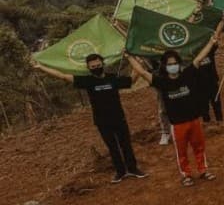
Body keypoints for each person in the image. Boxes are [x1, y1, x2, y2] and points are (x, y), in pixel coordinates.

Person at [32, 54, 148, 184]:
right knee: (112, 147)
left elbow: (132, 80)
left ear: (103, 64)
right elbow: (63, 75)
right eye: (93, 66)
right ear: (88, 67)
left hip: (119, 118)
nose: (96, 68)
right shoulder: (87, 81)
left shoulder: (112, 78)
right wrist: (41, 67)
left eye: (98, 65)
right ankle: (120, 172)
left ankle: (133, 169)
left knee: (126, 145)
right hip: (102, 121)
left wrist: (138, 64)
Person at [127, 34, 219, 187]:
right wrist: (129, 57)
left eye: (175, 63)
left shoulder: (188, 75)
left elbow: (198, 58)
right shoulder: (162, 82)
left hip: (194, 120)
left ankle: (203, 170)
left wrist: (211, 42)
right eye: (170, 63)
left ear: (179, 64)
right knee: (181, 152)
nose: (173, 65)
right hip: (178, 125)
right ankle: (186, 175)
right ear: (165, 66)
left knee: (199, 147)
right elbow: (143, 73)